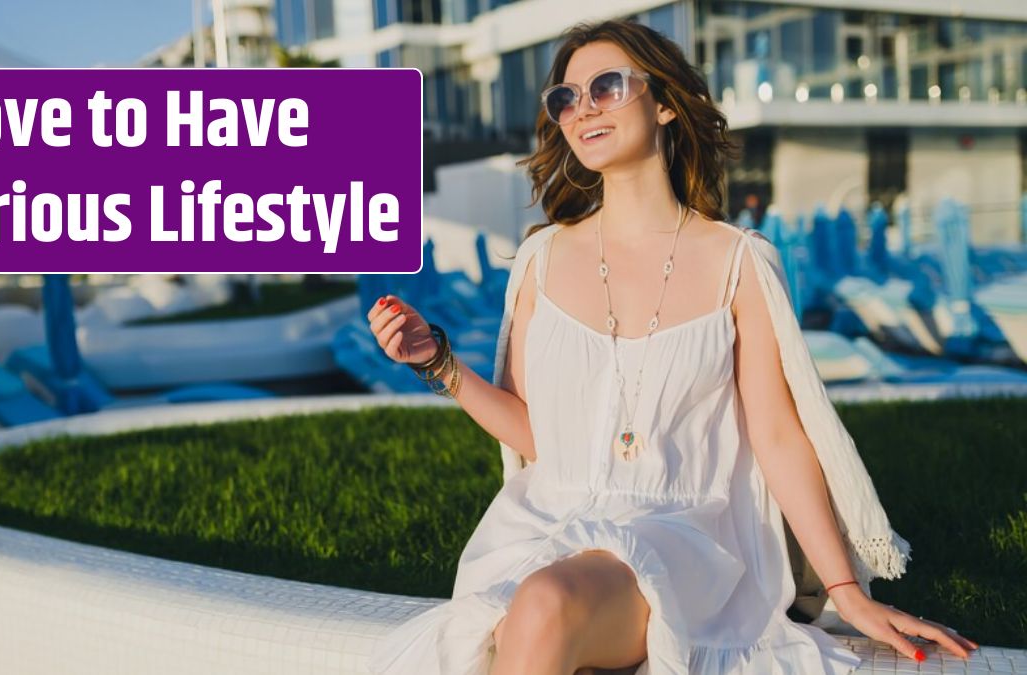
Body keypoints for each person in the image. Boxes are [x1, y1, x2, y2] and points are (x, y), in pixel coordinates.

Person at [364, 18, 978, 675]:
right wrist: (439, 361)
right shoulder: (541, 261)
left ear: (663, 102)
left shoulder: (736, 261)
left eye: (605, 86)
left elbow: (776, 433)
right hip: (542, 530)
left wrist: (847, 592)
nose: (582, 109)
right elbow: (538, 435)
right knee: (526, 614)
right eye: (566, 98)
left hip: (681, 536)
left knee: (541, 609)